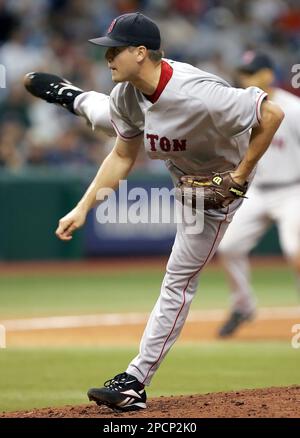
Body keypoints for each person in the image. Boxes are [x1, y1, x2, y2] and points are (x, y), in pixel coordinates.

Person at [23, 13, 284, 412]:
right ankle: (72, 96)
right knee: (105, 113)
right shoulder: (129, 92)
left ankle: (135, 381)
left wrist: (240, 175)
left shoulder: (199, 92)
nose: (107, 57)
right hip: (183, 175)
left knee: (177, 282)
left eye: (114, 50)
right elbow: (124, 154)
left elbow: (270, 115)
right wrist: (83, 206)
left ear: (141, 52)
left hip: (217, 191)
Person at [217, 51, 300, 337]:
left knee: (296, 251)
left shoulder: (292, 107)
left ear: (268, 74)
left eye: (251, 72)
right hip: (257, 192)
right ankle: (243, 306)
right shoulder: (242, 107)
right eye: (243, 72)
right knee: (228, 247)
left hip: (293, 190)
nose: (245, 78)